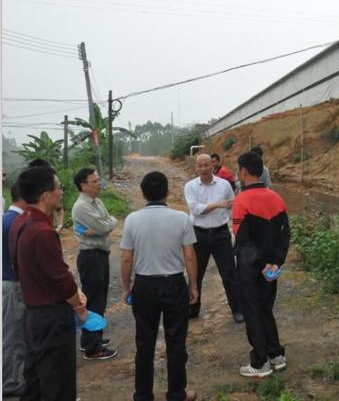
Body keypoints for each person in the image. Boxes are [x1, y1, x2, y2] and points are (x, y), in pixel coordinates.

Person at [10, 166, 87, 401]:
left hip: (33, 315)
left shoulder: (20, 223)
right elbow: (61, 280)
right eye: (58, 188)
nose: (61, 192)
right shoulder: (42, 232)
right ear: (45, 195)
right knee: (58, 384)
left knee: (35, 382)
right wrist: (79, 305)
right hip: (52, 319)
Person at [120, 171, 198, 401]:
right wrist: (193, 285)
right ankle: (176, 394)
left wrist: (126, 287)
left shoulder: (132, 220)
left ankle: (143, 395)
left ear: (143, 193)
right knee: (176, 342)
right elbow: (190, 256)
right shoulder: (182, 218)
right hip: (174, 284)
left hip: (144, 285)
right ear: (167, 192)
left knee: (144, 343)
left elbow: (126, 259)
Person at [232, 151, 289, 378]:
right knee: (266, 309)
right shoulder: (276, 198)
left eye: (238, 169)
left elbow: (243, 240)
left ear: (243, 171)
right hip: (271, 268)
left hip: (250, 269)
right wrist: (274, 263)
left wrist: (256, 265)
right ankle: (276, 355)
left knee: (253, 311)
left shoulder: (242, 201)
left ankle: (259, 362)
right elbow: (285, 236)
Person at [184, 154, 244, 322]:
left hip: (221, 234)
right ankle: (192, 308)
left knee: (229, 273)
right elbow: (196, 210)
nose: (203, 169)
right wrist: (218, 204)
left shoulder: (224, 185)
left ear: (213, 165)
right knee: (195, 274)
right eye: (200, 166)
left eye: (206, 165)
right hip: (198, 234)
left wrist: (231, 216)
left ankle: (237, 309)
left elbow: (232, 206)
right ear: (195, 167)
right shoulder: (190, 186)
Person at [71, 168, 118, 360]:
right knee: (94, 300)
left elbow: (109, 222)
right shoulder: (81, 206)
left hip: (100, 255)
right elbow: (102, 226)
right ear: (83, 185)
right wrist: (105, 226)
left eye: (98, 180)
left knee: (97, 298)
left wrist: (106, 225)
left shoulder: (96, 202)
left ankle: (90, 338)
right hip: (91, 257)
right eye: (95, 181)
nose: (99, 184)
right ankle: (93, 346)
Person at [2, 183, 28, 396]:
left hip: (7, 283)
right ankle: (10, 382)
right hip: (12, 284)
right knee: (13, 334)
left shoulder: (6, 219)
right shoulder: (15, 222)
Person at [28, 159, 64, 233]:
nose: (61, 192)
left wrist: (59, 226)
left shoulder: (51, 191)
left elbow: (60, 210)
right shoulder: (27, 195)